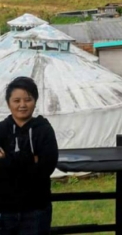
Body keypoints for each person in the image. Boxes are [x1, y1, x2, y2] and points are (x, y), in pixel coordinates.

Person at [0, 76, 58, 235]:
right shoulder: (1, 131)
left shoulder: (44, 130)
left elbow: (47, 167)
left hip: (36, 209)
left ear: (35, 101)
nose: (22, 105)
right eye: (16, 100)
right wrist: (30, 159)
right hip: (4, 210)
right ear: (8, 103)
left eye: (28, 99)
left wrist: (6, 161)